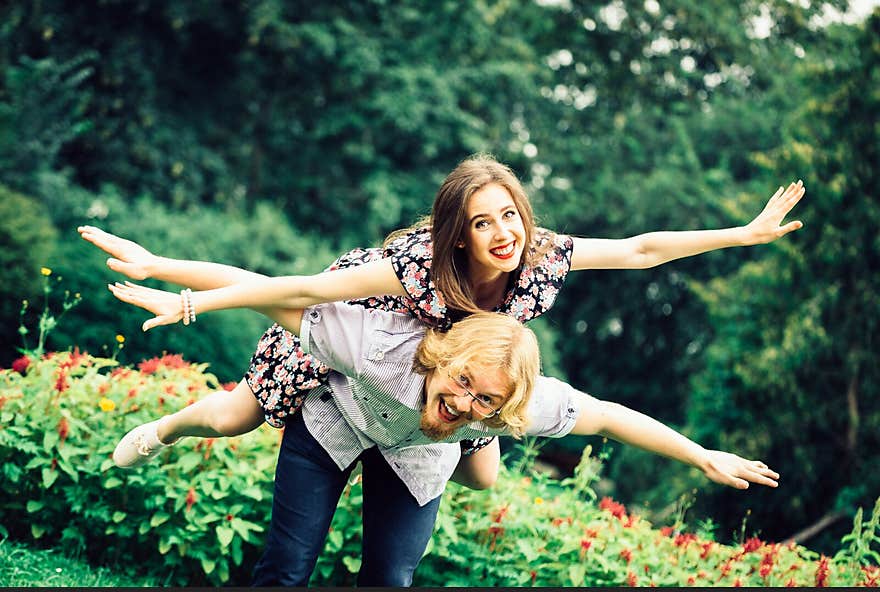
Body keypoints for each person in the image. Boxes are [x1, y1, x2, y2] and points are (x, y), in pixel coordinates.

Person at [79, 153, 805, 486]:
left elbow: (644, 250)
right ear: (458, 233)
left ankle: (427, 442)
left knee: (483, 473)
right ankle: (165, 427)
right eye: (483, 222)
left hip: (450, 383)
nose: (503, 233)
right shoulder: (414, 267)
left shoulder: (543, 257)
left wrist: (739, 234)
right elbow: (286, 286)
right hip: (355, 339)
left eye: (511, 216)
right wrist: (169, 277)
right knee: (236, 416)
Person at [107, 281, 780, 586]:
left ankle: (480, 449)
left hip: (420, 450)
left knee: (392, 576)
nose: (465, 399)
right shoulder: (378, 346)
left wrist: (699, 454)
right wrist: (173, 285)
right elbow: (269, 290)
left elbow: (606, 414)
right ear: (442, 358)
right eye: (461, 384)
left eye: (484, 398)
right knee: (285, 565)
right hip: (343, 410)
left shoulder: (507, 401)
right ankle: (163, 428)